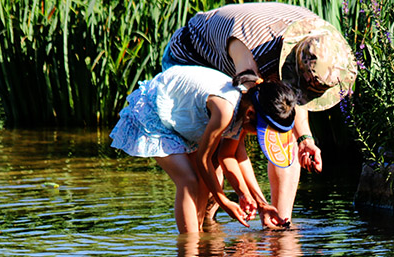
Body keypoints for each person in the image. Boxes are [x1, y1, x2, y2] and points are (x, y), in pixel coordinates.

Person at [162, 2, 357, 226]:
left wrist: (305, 139)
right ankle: (204, 237)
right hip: (192, 57)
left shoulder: (321, 45)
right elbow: (234, 144)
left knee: (285, 139)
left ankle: (279, 224)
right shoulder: (254, 57)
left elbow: (295, 96)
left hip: (244, 70)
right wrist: (242, 195)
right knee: (212, 165)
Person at [110, 66, 298, 234]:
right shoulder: (226, 109)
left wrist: (259, 203)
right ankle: (190, 250)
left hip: (184, 116)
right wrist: (224, 201)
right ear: (250, 115)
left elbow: (228, 156)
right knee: (188, 180)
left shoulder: (247, 107)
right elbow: (203, 159)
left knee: (206, 180)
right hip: (156, 109)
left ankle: (198, 235)